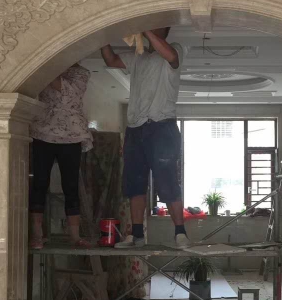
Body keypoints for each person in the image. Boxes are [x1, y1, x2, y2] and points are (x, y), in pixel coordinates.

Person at [101, 28, 189, 248]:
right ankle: (137, 235)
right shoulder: (138, 57)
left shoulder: (175, 49)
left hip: (162, 126)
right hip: (135, 128)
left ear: (163, 30)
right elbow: (111, 60)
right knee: (134, 183)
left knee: (167, 181)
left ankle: (180, 233)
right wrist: (101, 36)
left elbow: (171, 56)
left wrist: (146, 28)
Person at [29, 64, 93, 249]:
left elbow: (66, 93)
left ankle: (75, 236)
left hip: (71, 135)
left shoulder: (80, 73)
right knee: (40, 183)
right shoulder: (45, 69)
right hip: (43, 131)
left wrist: (47, 65)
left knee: (70, 186)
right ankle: (37, 234)